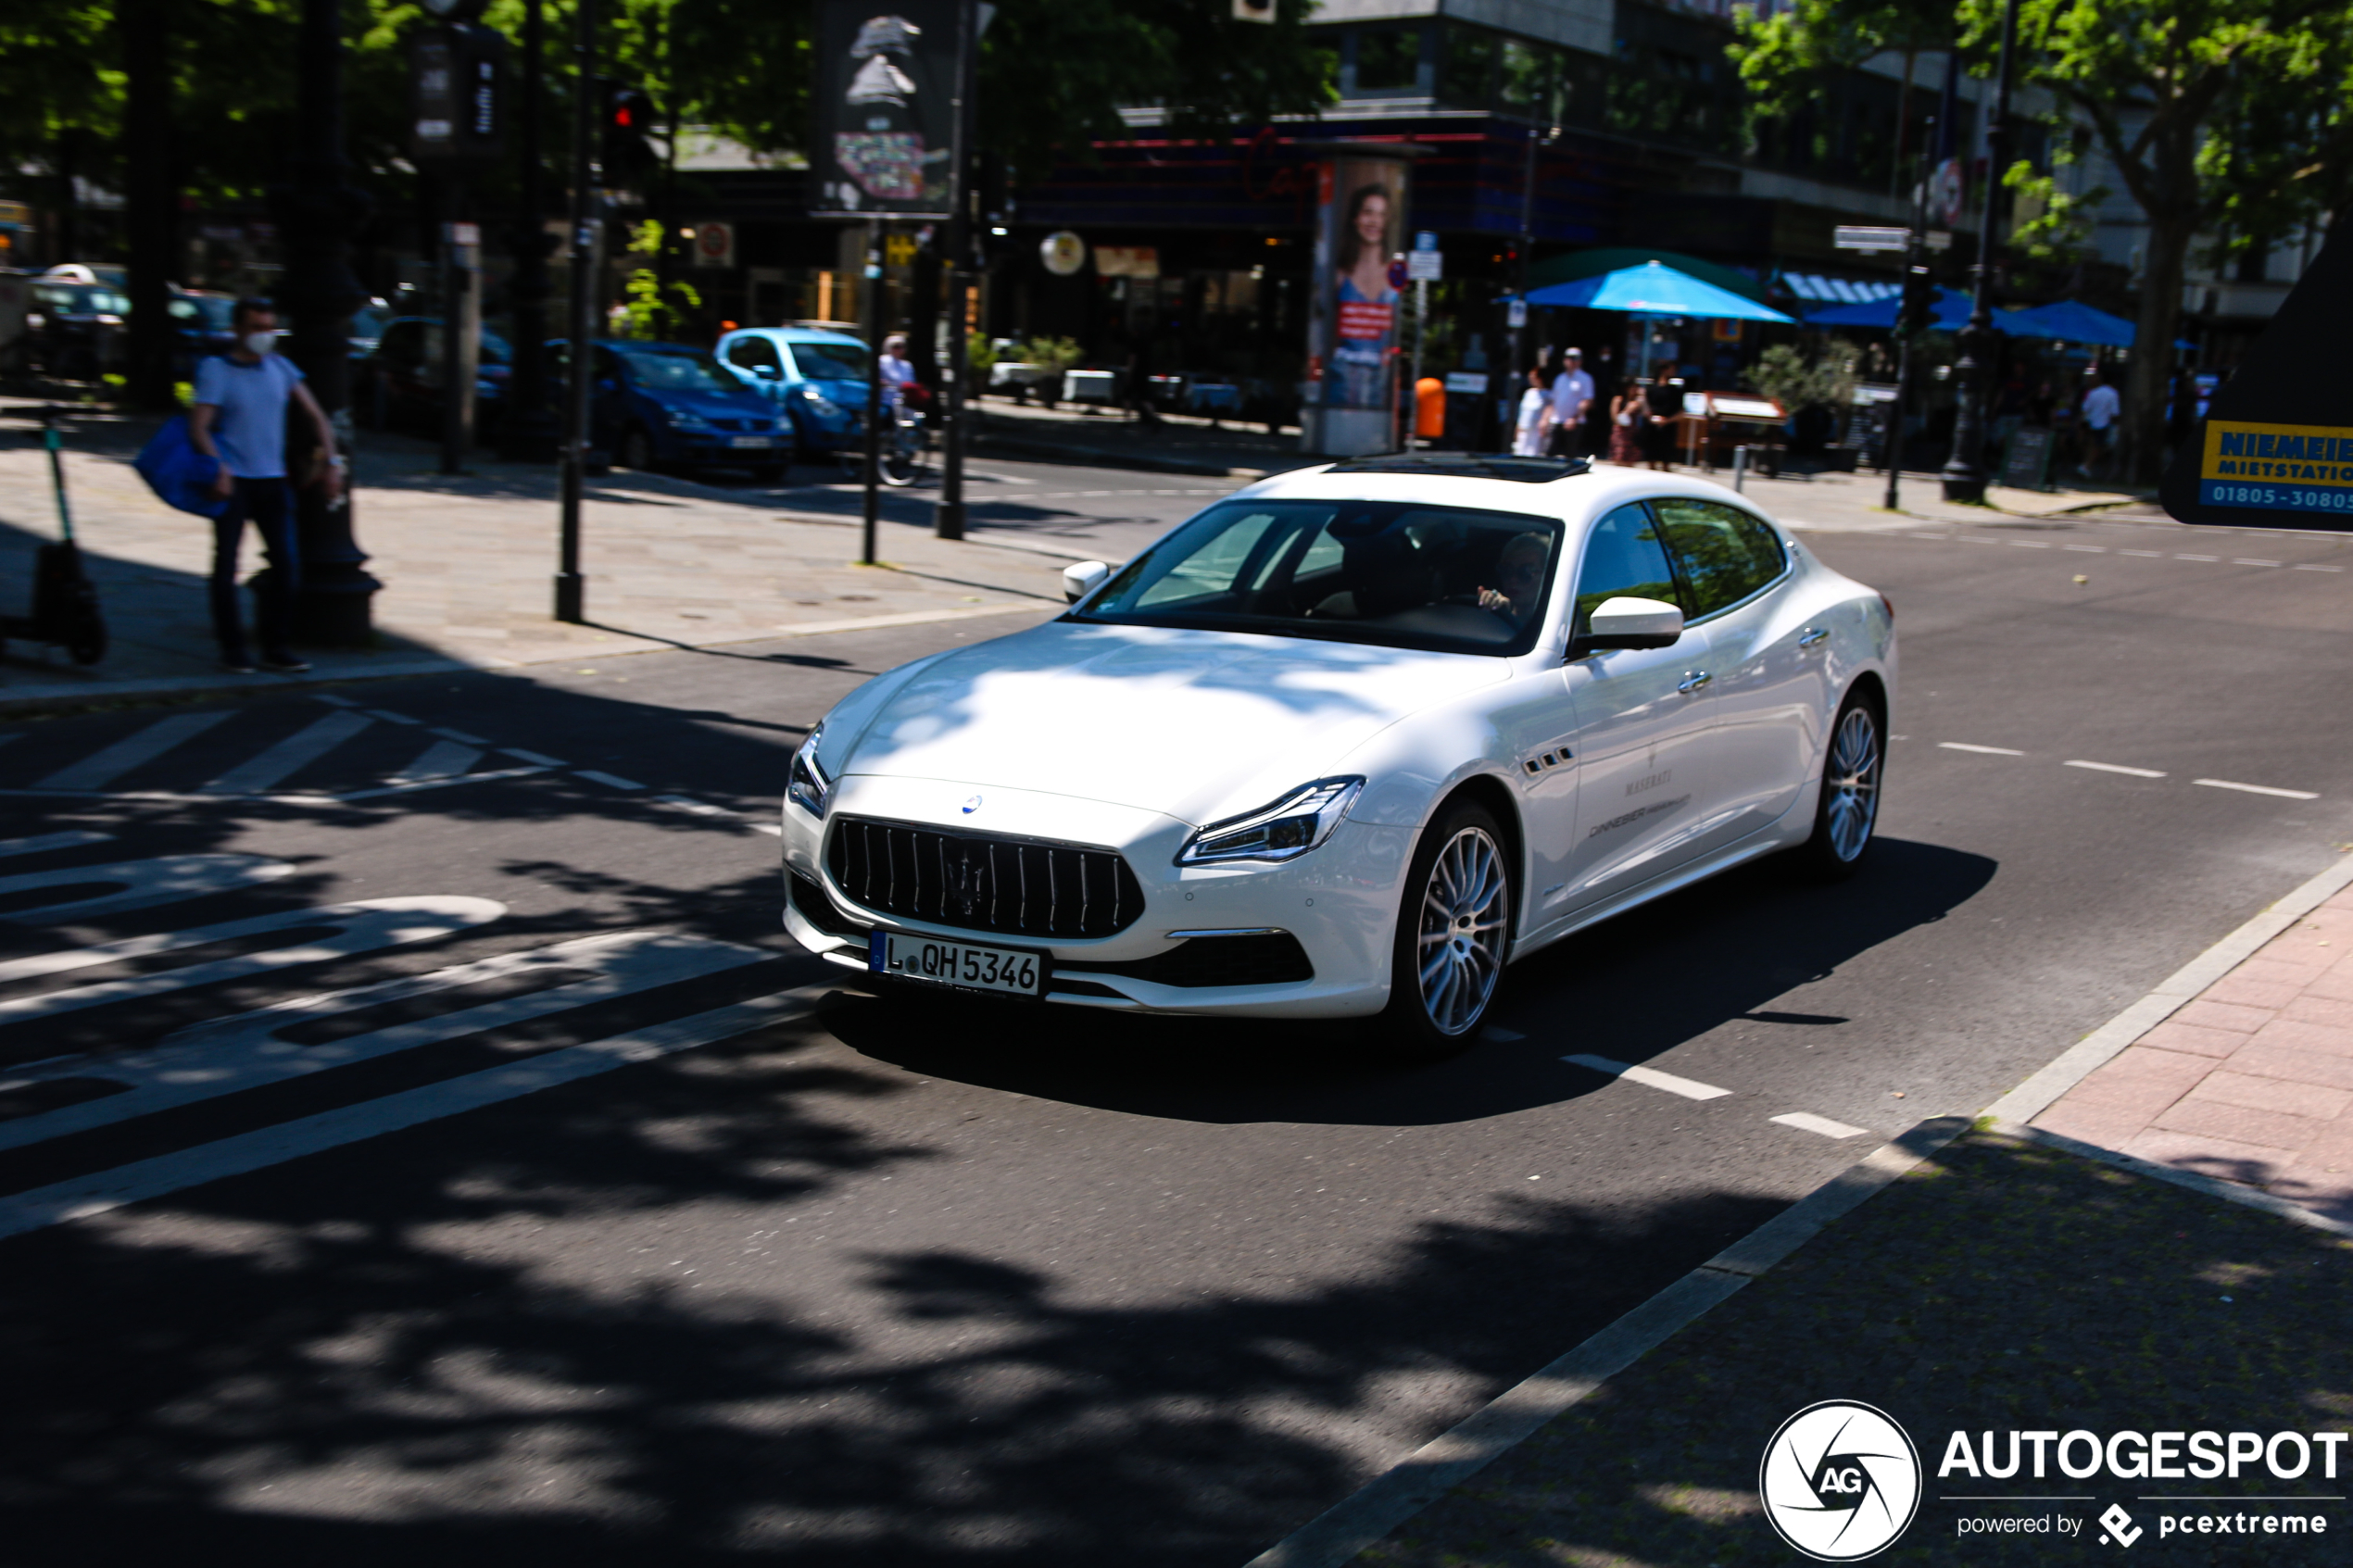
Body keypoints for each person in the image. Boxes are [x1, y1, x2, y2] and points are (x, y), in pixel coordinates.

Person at [187, 298, 339, 674]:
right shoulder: (217, 370)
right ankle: (233, 648)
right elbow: (199, 427)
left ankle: (276, 646)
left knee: (288, 566)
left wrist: (332, 462)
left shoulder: (281, 368)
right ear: (237, 329)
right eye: (256, 327)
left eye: (269, 327)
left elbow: (316, 415)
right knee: (226, 567)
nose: (263, 335)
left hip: (273, 482)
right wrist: (218, 467)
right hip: (235, 483)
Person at [1476, 531, 1551, 627]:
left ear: (1547, 576)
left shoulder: (1555, 625)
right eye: (1507, 570)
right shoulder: (1498, 612)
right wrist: (1491, 613)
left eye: (1525, 572)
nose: (1513, 579)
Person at [1548, 346, 1594, 460]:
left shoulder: (1585, 379)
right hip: (1556, 420)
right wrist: (1545, 419)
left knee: (1570, 455)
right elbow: (1553, 400)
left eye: (1575, 358)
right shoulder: (1560, 378)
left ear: (1580, 361)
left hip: (1574, 422)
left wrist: (1574, 418)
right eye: (1569, 358)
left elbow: (1587, 400)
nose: (1572, 361)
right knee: (1550, 452)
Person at [2079, 366, 2120, 479]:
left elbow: (2085, 409)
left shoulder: (2093, 393)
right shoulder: (2113, 394)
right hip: (2104, 424)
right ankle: (2087, 466)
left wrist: (2083, 422)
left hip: (2091, 422)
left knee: (2091, 445)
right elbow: (2115, 413)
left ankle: (2086, 465)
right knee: (2099, 447)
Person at [1642, 375, 1685, 470]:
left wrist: (1667, 420)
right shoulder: (1651, 390)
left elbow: (1681, 412)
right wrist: (1650, 418)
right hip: (1652, 428)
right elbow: (1645, 408)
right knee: (1651, 457)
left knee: (1666, 457)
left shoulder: (1676, 392)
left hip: (1669, 429)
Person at [1512, 367, 1553, 457]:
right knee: (1519, 452)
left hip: (1536, 431)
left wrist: (1544, 422)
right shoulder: (1528, 393)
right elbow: (1523, 411)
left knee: (1534, 453)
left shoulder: (1548, 394)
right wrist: (1518, 427)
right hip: (1524, 428)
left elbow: (1550, 408)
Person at [1608, 377, 1645, 465]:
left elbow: (1646, 413)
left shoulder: (1638, 401)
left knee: (1630, 459)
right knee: (1619, 456)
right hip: (1620, 433)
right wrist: (1627, 411)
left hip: (1632, 433)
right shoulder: (1618, 400)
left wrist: (1643, 397)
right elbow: (1615, 418)